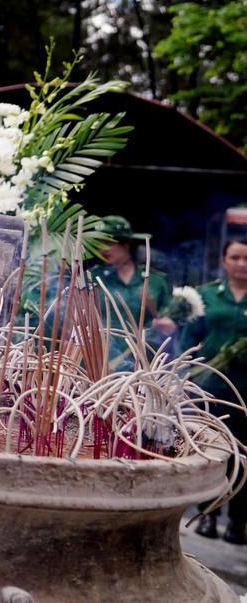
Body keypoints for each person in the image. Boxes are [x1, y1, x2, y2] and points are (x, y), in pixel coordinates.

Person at [186, 237, 247, 544]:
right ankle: (207, 514)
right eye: (235, 258)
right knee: (211, 450)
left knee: (245, 456)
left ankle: (239, 521)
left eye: (246, 259)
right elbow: (190, 339)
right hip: (209, 387)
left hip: (246, 391)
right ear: (224, 261)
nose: (241, 264)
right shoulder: (207, 296)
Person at [89, 215, 176, 370]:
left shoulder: (155, 281)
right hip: (102, 364)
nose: (102, 249)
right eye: (98, 244)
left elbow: (169, 323)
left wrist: (167, 325)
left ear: (126, 243)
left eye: (109, 243)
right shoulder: (91, 279)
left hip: (144, 365)